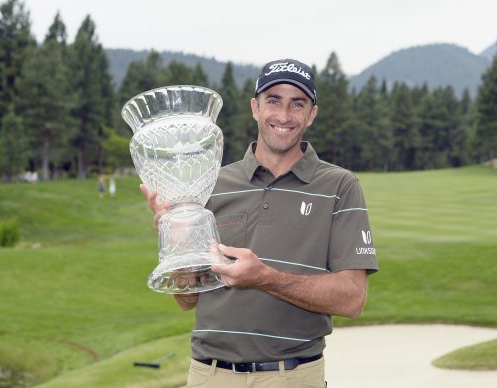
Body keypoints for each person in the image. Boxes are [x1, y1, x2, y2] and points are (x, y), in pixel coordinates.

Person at [140, 58, 378, 387]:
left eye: (298, 104)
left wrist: (265, 278)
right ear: (255, 107)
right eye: (273, 101)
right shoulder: (211, 184)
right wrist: (177, 246)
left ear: (311, 114)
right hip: (210, 375)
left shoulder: (340, 186)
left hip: (292, 376)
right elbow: (187, 299)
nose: (283, 116)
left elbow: (352, 299)